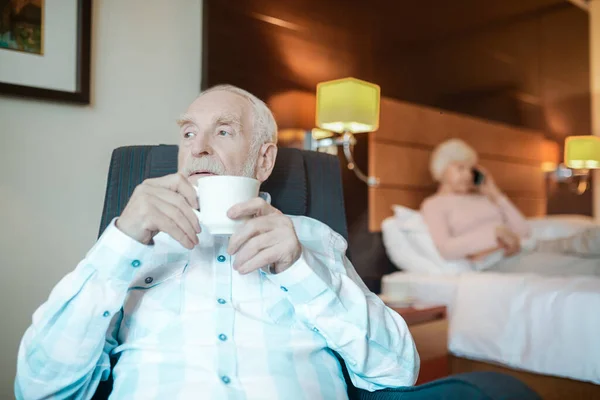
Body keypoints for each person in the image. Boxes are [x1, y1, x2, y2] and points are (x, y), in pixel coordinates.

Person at [15, 85, 419, 400]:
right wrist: (120, 245)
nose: (198, 147)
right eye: (188, 132)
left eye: (222, 131)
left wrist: (300, 269)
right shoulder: (132, 244)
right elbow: (40, 387)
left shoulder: (312, 239)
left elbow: (397, 371)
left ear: (264, 160)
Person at [421, 138, 600, 269]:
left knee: (591, 239)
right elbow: (446, 249)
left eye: (471, 169)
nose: (468, 175)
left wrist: (495, 193)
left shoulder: (483, 197)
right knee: (588, 266)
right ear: (441, 169)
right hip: (497, 259)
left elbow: (523, 230)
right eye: (460, 168)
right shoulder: (434, 205)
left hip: (527, 246)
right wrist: (495, 233)